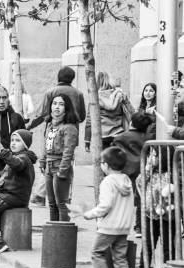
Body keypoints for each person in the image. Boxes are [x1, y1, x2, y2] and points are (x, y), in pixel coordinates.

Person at [28, 66, 86, 206]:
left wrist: (29, 126)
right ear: (72, 78)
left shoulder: (51, 92)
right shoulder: (78, 94)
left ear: (58, 77)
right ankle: (65, 196)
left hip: (52, 132)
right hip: (70, 134)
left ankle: (40, 195)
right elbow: (82, 116)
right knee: (67, 162)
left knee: (49, 162)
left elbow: (41, 114)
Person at [83, 146, 135, 268]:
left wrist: (89, 214)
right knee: (120, 257)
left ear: (106, 164)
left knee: (96, 252)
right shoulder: (126, 181)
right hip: (124, 227)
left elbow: (105, 205)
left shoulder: (107, 182)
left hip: (108, 227)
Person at [0, 129, 36, 260]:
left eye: (18, 141)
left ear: (25, 144)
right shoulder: (19, 156)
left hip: (11, 197)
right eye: (12, 140)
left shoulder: (24, 158)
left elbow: (17, 164)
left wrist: (2, 151)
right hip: (10, 196)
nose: (13, 143)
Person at [136, 146, 177, 268]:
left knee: (168, 245)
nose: (151, 158)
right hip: (150, 214)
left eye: (154, 155)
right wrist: (147, 167)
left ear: (163, 158)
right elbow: (140, 183)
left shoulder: (172, 173)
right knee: (148, 243)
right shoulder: (149, 172)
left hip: (167, 216)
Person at [111, 111, 153, 236]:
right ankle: (139, 227)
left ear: (131, 123)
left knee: (121, 200)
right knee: (142, 200)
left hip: (125, 173)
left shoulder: (120, 137)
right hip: (142, 172)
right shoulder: (148, 138)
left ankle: (119, 224)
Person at [38, 95, 79, 221]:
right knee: (51, 204)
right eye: (54, 103)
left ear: (66, 108)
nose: (56, 106)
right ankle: (53, 236)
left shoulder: (69, 127)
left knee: (61, 204)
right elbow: (46, 144)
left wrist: (62, 170)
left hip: (60, 166)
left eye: (61, 104)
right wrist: (42, 161)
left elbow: (68, 151)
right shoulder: (50, 125)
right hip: (49, 167)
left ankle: (63, 237)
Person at [85, 72, 134, 152]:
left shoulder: (95, 98)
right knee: (117, 161)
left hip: (102, 136)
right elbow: (132, 113)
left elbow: (89, 121)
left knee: (104, 162)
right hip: (118, 134)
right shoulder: (120, 95)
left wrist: (87, 141)